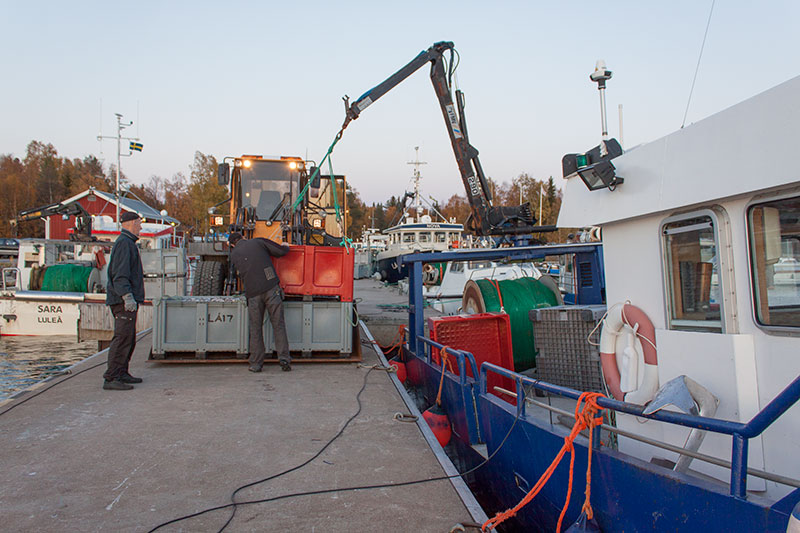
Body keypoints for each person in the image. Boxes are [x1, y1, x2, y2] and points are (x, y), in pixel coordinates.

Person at [229, 232, 292, 373]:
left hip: (252, 293)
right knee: (278, 325)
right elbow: (280, 251)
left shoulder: (234, 255)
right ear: (244, 237)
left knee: (255, 328)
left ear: (232, 244)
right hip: (270, 287)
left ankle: (256, 364)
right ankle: (284, 359)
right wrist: (286, 246)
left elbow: (237, 273)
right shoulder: (258, 242)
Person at [103, 211, 145, 390]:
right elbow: (119, 275)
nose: (140, 227)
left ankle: (122, 372)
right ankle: (112, 377)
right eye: (138, 223)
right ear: (130, 223)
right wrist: (127, 297)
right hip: (122, 301)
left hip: (125, 299)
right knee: (121, 338)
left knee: (129, 338)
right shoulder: (124, 244)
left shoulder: (128, 243)